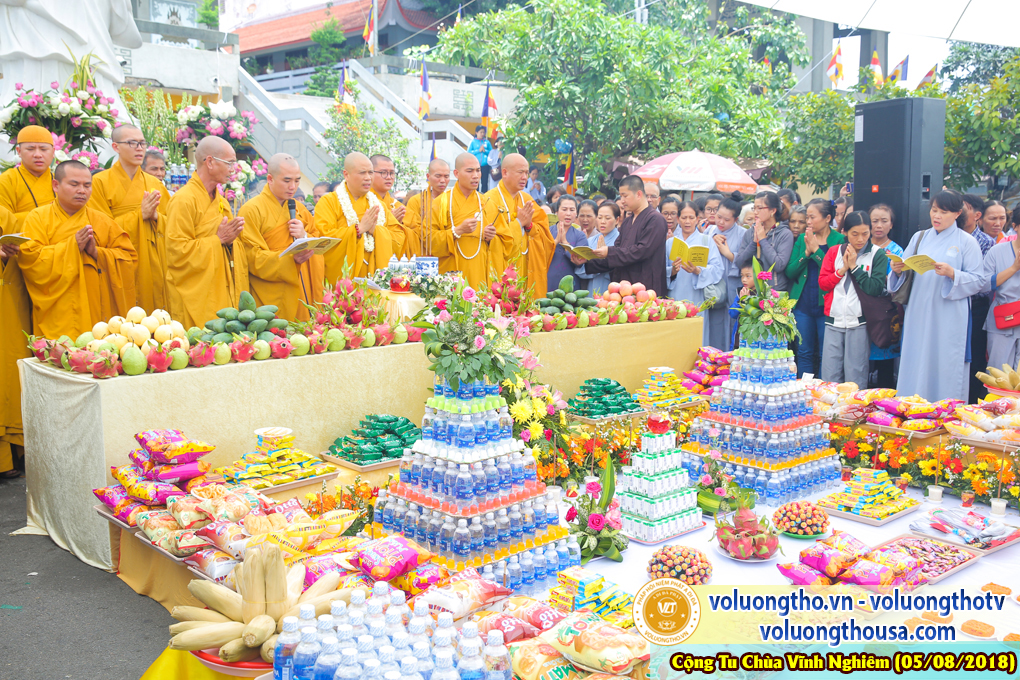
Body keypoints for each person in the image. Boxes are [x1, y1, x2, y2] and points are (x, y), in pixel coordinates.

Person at [19, 160, 137, 337]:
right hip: (58, 310)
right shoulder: (37, 218)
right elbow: (30, 259)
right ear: (56, 185)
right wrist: (71, 246)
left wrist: (97, 253)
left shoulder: (101, 220)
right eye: (74, 184)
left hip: (96, 310)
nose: (82, 190)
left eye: (87, 185)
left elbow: (128, 258)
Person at [890, 191, 985, 402]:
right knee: (916, 356)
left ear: (957, 213)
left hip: (949, 313)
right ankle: (910, 407)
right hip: (918, 310)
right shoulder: (919, 237)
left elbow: (979, 280)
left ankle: (944, 410)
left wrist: (953, 273)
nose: (937, 216)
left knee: (944, 360)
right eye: (934, 210)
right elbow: (904, 271)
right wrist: (897, 269)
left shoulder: (966, 242)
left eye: (943, 212)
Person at [165, 137, 254, 328]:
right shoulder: (183, 200)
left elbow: (229, 243)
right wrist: (218, 240)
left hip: (221, 288)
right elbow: (176, 253)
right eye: (229, 163)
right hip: (195, 295)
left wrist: (230, 241)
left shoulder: (219, 200)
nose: (233, 169)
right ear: (210, 162)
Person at [88, 124, 171, 310]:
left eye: (142, 143)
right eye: (132, 143)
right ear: (116, 147)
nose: (139, 148)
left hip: (152, 263)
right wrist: (139, 215)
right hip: (119, 259)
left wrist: (157, 217)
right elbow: (100, 230)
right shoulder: (99, 183)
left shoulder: (155, 183)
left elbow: (172, 225)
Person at [237, 154, 323, 322]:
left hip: (301, 288)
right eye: (287, 180)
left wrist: (303, 236)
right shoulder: (251, 210)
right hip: (269, 292)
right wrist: (290, 260)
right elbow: (251, 256)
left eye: (297, 180)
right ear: (270, 178)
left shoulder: (298, 208)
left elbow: (316, 238)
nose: (293, 187)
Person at [819, 211, 888, 387]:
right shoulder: (834, 252)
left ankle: (854, 413)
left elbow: (875, 287)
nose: (860, 239)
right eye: (855, 234)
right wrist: (841, 270)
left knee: (856, 375)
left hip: (859, 322)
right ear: (845, 233)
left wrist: (855, 268)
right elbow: (823, 283)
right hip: (833, 320)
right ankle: (829, 413)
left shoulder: (877, 254)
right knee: (829, 375)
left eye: (865, 233)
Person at [431, 153, 510, 289]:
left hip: (480, 273)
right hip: (451, 274)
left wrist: (491, 237)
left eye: (478, 170)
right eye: (469, 171)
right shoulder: (441, 203)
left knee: (479, 307)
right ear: (456, 173)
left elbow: (506, 241)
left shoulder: (487, 203)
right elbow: (429, 242)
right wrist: (457, 231)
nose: (476, 175)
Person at [315, 152, 397, 282]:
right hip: (343, 282)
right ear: (346, 174)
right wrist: (358, 229)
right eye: (362, 173)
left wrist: (375, 231)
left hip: (375, 280)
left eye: (370, 173)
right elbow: (323, 239)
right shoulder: (329, 202)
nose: (368, 178)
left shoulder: (378, 205)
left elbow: (398, 238)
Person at [786, 199, 844, 377]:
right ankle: (805, 391)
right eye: (807, 217)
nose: (808, 222)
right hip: (803, 303)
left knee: (826, 353)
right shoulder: (803, 239)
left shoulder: (839, 240)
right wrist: (806, 253)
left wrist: (817, 251)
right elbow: (790, 271)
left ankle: (822, 391)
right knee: (803, 351)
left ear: (827, 218)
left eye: (812, 217)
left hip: (827, 304)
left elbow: (835, 271)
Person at [483, 153, 554, 293]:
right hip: (501, 270)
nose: (525, 177)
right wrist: (519, 223)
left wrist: (529, 225)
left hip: (525, 267)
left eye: (527, 173)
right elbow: (490, 240)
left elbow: (544, 234)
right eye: (520, 172)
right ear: (504, 172)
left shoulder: (527, 199)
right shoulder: (489, 200)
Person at [586, 175, 668, 295]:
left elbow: (641, 251)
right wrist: (586, 261)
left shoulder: (656, 220)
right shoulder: (628, 222)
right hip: (624, 287)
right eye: (621, 196)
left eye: (625, 196)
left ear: (639, 194)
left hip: (646, 288)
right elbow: (618, 252)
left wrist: (609, 251)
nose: (622, 200)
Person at [666, 200, 724, 344]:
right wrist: (672, 270)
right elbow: (662, 269)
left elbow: (718, 268)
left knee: (696, 334)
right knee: (675, 334)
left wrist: (698, 270)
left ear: (697, 219)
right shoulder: (670, 243)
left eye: (691, 218)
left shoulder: (706, 241)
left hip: (696, 294)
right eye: (684, 218)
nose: (687, 222)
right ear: (678, 219)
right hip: (675, 294)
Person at [0, 203, 26, 477]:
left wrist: (8, 256)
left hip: (6, 303)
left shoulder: (4, 214)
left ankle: (9, 456)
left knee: (6, 376)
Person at [867, 204, 904, 389]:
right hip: (862, 310)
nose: (879, 225)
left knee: (885, 362)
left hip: (886, 312)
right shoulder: (860, 247)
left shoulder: (897, 251)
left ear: (891, 225)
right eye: (875, 221)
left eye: (884, 221)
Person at [710, 193, 749, 351]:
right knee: (714, 322)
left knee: (732, 321)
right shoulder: (709, 231)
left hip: (733, 283)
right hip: (714, 285)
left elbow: (746, 262)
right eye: (719, 217)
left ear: (736, 220)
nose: (720, 222)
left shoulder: (743, 234)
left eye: (726, 220)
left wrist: (728, 254)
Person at [736, 191, 794, 291]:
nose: (755, 212)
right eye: (754, 208)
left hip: (774, 292)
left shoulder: (785, 234)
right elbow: (739, 263)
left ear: (773, 211)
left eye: (760, 208)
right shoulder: (750, 233)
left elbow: (779, 265)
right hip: (752, 291)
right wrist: (754, 243)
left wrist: (763, 240)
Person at [0, 125, 55, 226]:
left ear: (53, 152)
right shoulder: (7, 180)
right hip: (21, 240)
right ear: (19, 151)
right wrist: (44, 215)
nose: (38, 154)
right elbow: (3, 222)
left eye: (43, 149)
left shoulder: (61, 180)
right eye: (30, 149)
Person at [981, 232, 1020, 372]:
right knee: (998, 374)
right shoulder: (997, 251)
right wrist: (1014, 268)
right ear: (1015, 226)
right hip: (1003, 318)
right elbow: (983, 285)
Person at [370, 154, 417, 259]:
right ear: (370, 173)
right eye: (383, 173)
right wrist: (389, 222)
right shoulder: (364, 203)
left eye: (391, 173)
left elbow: (417, 237)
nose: (389, 177)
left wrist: (397, 226)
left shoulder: (398, 206)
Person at [405, 159, 450, 256]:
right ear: (428, 177)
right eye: (438, 176)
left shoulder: (451, 200)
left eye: (446, 176)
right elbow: (412, 231)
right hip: (423, 254)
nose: (442, 180)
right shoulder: (416, 201)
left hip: (447, 253)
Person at [576, 202, 620, 295]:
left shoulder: (621, 240)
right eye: (599, 218)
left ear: (617, 220)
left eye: (607, 218)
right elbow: (580, 271)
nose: (602, 221)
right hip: (590, 290)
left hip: (611, 291)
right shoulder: (591, 240)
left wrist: (599, 263)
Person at [548, 195, 589, 294]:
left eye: (572, 210)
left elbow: (580, 260)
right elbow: (539, 256)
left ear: (576, 213)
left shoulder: (580, 236)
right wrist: (556, 242)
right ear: (556, 212)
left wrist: (565, 242)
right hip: (548, 282)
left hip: (572, 286)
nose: (568, 214)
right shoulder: (547, 232)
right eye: (564, 209)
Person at [728, 264, 755, 350]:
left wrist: (746, 302)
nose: (744, 279)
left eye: (748, 276)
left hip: (753, 343)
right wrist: (741, 300)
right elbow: (732, 313)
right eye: (742, 276)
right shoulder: (741, 292)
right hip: (738, 341)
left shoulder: (761, 294)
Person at [468, 126, 493, 193]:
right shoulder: (473, 142)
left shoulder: (487, 142)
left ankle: (484, 195)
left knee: (484, 181)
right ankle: (475, 194)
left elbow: (491, 153)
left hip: (485, 165)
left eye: (483, 132)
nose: (482, 134)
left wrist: (485, 151)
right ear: (476, 132)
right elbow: (469, 152)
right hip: (475, 166)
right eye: (480, 132)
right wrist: (478, 150)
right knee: (476, 181)